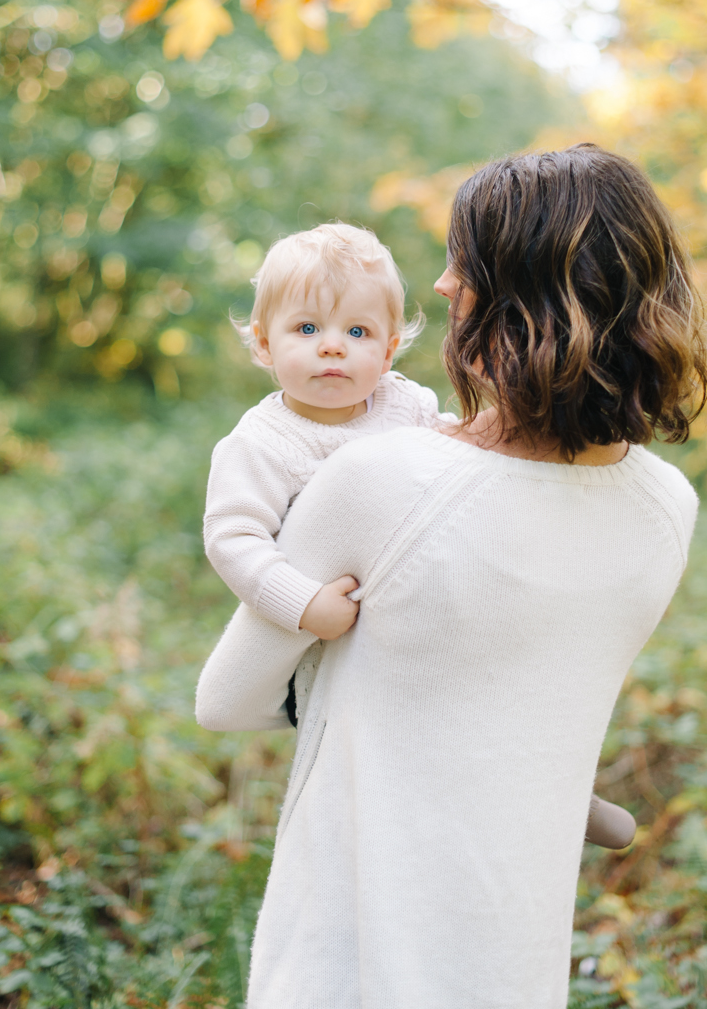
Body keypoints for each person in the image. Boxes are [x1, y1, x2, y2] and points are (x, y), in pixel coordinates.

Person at [196, 144, 707, 1009]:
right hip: (509, 974)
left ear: (519, 297)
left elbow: (227, 699)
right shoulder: (666, 506)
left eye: (462, 264)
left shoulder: (380, 479)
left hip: (356, 978)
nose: (439, 281)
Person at [203, 221, 634, 848]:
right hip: (331, 641)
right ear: (264, 345)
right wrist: (302, 604)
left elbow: (455, 470)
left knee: (492, 669)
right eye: (306, 329)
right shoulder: (260, 444)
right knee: (402, 730)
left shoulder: (406, 407)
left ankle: (554, 780)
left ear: (389, 348)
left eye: (357, 332)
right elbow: (232, 538)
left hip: (422, 606)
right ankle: (480, 796)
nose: (332, 347)